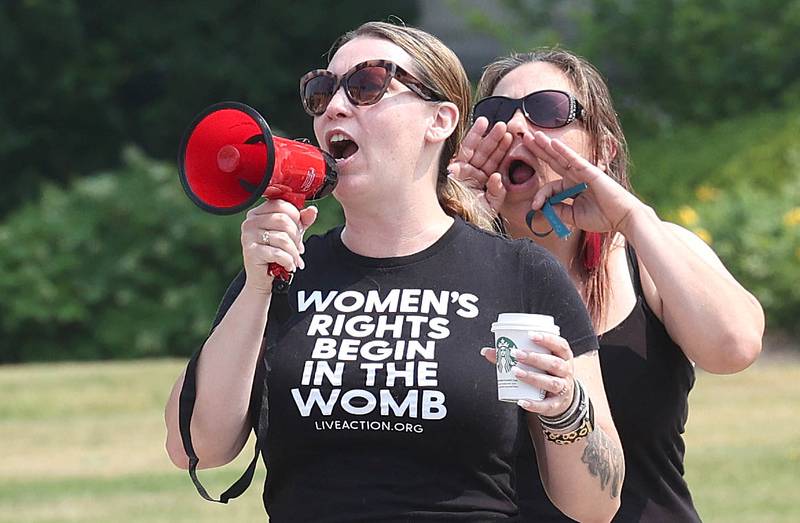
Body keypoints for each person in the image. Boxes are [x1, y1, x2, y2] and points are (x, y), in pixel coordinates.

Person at [164, 23, 626, 522]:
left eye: (368, 86)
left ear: (441, 120)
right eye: (322, 92)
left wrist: (565, 407)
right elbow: (196, 447)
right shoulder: (284, 275)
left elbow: (596, 505)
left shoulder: (516, 274)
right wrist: (257, 286)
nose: (336, 106)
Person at [449, 48, 765, 522]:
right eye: (494, 114)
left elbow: (733, 348)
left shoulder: (647, 249)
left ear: (602, 149)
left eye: (547, 110)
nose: (515, 128)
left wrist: (630, 217)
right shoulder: (446, 262)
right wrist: (448, 220)